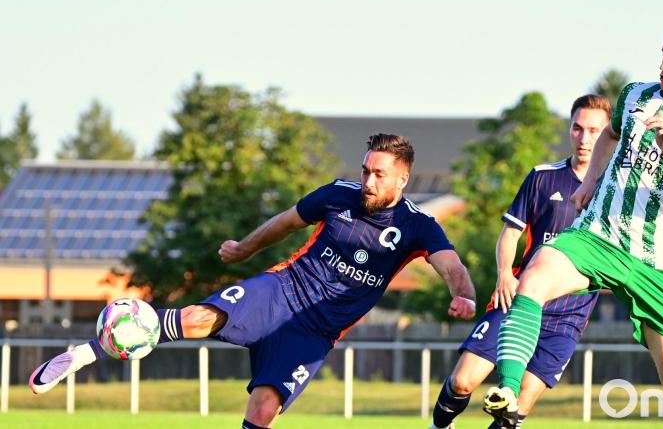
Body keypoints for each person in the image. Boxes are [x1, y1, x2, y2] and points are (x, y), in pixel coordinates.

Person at [29, 133, 477, 429]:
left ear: (403, 177)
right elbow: (284, 223)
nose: (367, 180)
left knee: (265, 407)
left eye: (378, 174)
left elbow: (453, 268)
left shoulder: (418, 225)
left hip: (315, 330)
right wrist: (244, 249)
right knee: (198, 316)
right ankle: (86, 352)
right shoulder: (337, 195)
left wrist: (463, 297)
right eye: (365, 170)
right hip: (282, 290)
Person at [484, 20, 663, 429]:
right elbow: (609, 136)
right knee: (533, 278)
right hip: (599, 234)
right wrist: (588, 180)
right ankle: (508, 391)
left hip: (656, 261)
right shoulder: (635, 95)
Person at [428, 95, 611, 429]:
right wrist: (503, 275)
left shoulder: (613, 190)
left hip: (568, 315)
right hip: (520, 299)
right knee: (463, 382)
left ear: (608, 134)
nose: (585, 139)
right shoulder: (543, 177)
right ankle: (439, 426)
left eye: (595, 131)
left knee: (516, 405)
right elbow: (510, 233)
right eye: (578, 128)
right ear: (569, 130)